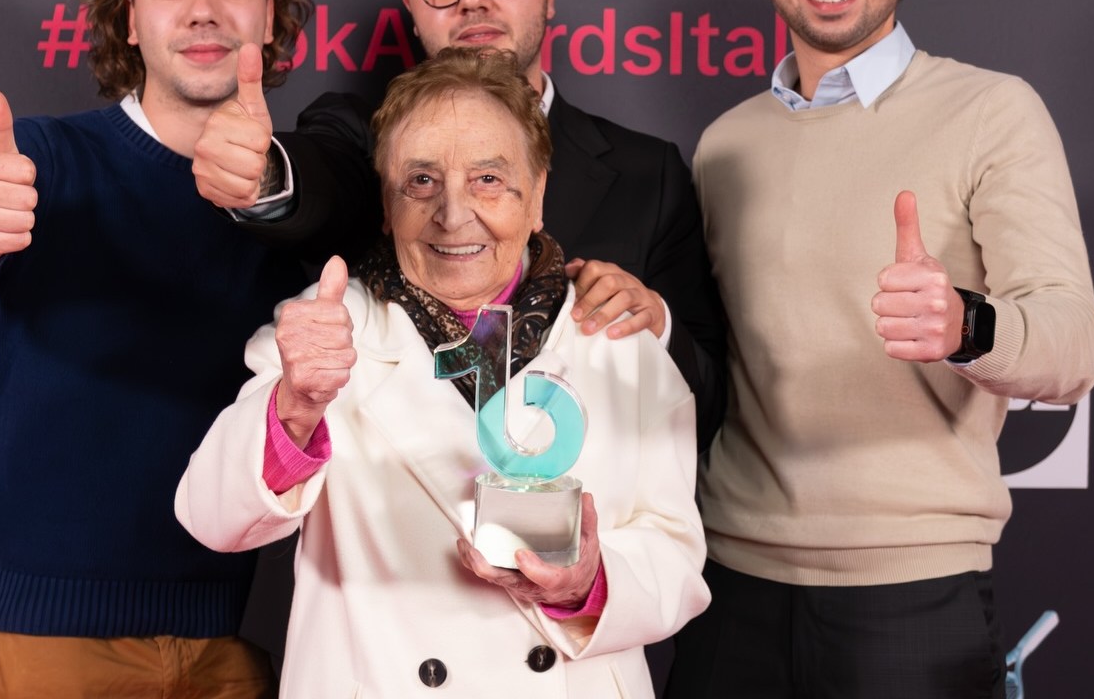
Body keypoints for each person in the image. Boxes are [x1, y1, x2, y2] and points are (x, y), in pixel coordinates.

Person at [0, 0, 373, 698]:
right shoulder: (48, 157)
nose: (203, 12)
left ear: (271, 17)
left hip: (235, 631)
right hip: (51, 639)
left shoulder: (299, 190)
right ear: (131, 20)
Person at [668, 0, 1094, 698]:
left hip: (914, 596)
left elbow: (1075, 345)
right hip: (730, 589)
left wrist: (966, 326)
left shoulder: (993, 112)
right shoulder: (724, 146)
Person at [176, 50, 710, 698]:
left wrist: (587, 585)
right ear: (385, 202)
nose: (453, 215)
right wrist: (294, 410)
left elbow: (676, 562)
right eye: (421, 181)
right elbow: (213, 519)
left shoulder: (620, 340)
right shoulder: (325, 329)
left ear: (538, 195)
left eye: (488, 178)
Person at [198, 0, 728, 445]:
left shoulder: (648, 173)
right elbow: (323, 181)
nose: (473, 1)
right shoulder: (362, 137)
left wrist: (657, 324)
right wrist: (265, 175)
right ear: (411, 6)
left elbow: (707, 408)